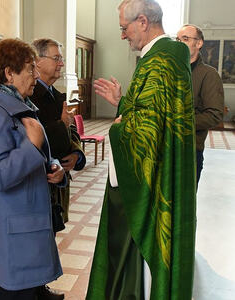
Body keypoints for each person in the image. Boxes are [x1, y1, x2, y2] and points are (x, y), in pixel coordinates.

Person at [86, 1, 196, 299]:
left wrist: (117, 127)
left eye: (125, 28)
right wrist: (122, 104)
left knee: (131, 252)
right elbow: (155, 117)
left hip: (148, 179)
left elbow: (146, 133)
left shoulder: (160, 60)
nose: (123, 35)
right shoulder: (164, 57)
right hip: (159, 169)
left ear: (143, 21)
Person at [0, 38, 65, 300]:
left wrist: (55, 168)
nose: (36, 75)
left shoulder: (23, 108)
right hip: (14, 228)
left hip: (28, 222)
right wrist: (32, 147)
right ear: (9, 73)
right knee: (15, 292)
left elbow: (41, 157)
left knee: (30, 289)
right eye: (30, 69)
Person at [30, 38, 86, 226]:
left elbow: (71, 129)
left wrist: (77, 153)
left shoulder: (55, 94)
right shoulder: (30, 95)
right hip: (41, 182)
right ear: (38, 60)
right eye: (56, 58)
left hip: (59, 183)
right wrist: (61, 124)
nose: (61, 63)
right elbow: (34, 138)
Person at [177, 25, 224, 183]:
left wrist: (178, 123)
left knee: (183, 207)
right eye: (178, 40)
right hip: (164, 148)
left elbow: (214, 115)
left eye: (185, 39)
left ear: (199, 44)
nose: (180, 43)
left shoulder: (208, 74)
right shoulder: (171, 71)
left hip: (189, 151)